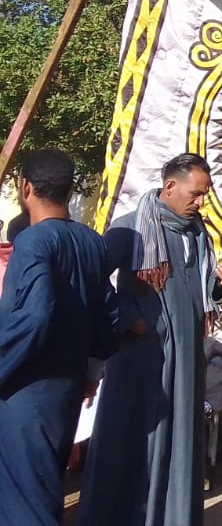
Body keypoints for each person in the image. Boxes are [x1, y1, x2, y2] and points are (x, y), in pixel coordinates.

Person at [79, 153, 222, 526]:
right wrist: (128, 316)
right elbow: (92, 279)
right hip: (140, 361)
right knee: (132, 442)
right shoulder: (131, 229)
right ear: (170, 186)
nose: (201, 202)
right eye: (196, 193)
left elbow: (198, 292)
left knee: (179, 441)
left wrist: (221, 283)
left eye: (205, 194)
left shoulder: (197, 234)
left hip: (186, 361)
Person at [0, 149, 118, 526]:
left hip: (25, 389)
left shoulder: (32, 242)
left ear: (26, 188)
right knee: (47, 486)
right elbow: (108, 312)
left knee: (24, 501)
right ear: (69, 190)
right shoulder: (92, 242)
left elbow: (34, 316)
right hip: (68, 385)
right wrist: (92, 373)